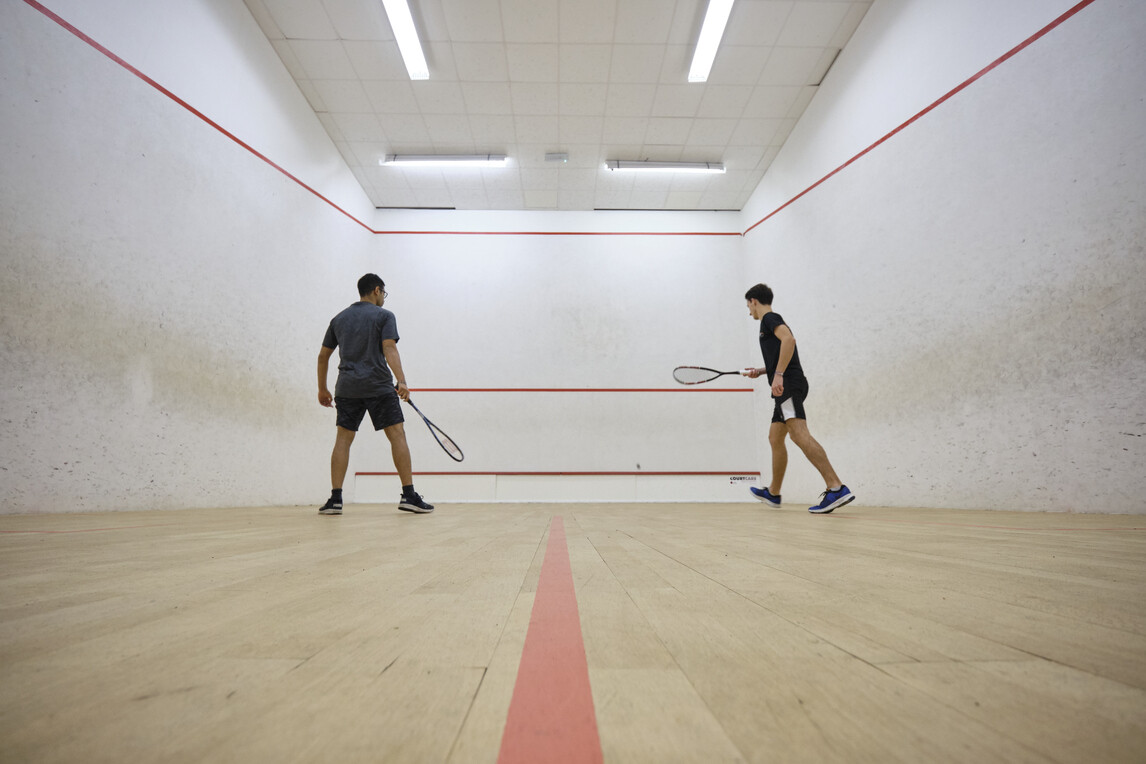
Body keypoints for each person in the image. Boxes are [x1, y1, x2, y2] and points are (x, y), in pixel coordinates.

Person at [316, 274, 433, 515]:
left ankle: (335, 499)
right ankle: (409, 495)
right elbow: (389, 347)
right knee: (397, 435)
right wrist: (401, 380)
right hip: (378, 386)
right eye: (383, 294)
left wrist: (322, 388)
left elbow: (322, 356)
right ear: (377, 290)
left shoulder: (338, 318)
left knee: (343, 439)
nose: (383, 298)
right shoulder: (384, 316)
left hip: (347, 388)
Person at [743, 283, 855, 514]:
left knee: (798, 434)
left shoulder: (770, 319)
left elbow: (789, 341)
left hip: (789, 387)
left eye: (748, 306)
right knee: (775, 437)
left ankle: (836, 487)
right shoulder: (769, 323)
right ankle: (773, 493)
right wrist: (764, 371)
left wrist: (779, 376)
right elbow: (782, 352)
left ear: (754, 301)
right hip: (786, 386)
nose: (749, 312)